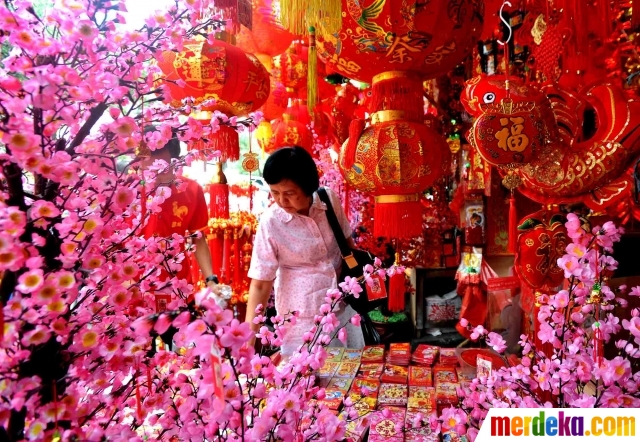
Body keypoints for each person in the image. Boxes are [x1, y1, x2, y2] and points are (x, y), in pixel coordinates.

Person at [245, 146, 364, 356]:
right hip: (301, 318)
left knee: (346, 374)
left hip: (343, 307)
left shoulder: (328, 200)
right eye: (275, 192)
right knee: (305, 377)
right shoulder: (271, 221)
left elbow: (347, 244)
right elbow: (261, 284)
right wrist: (248, 338)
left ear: (308, 187)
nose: (282, 200)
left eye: (289, 193)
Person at [138, 130, 220, 298]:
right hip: (136, 288)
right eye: (150, 172)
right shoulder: (129, 192)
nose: (156, 178)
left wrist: (210, 279)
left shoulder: (191, 190)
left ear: (175, 163)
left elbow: (198, 237)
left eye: (163, 170)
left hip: (177, 285)